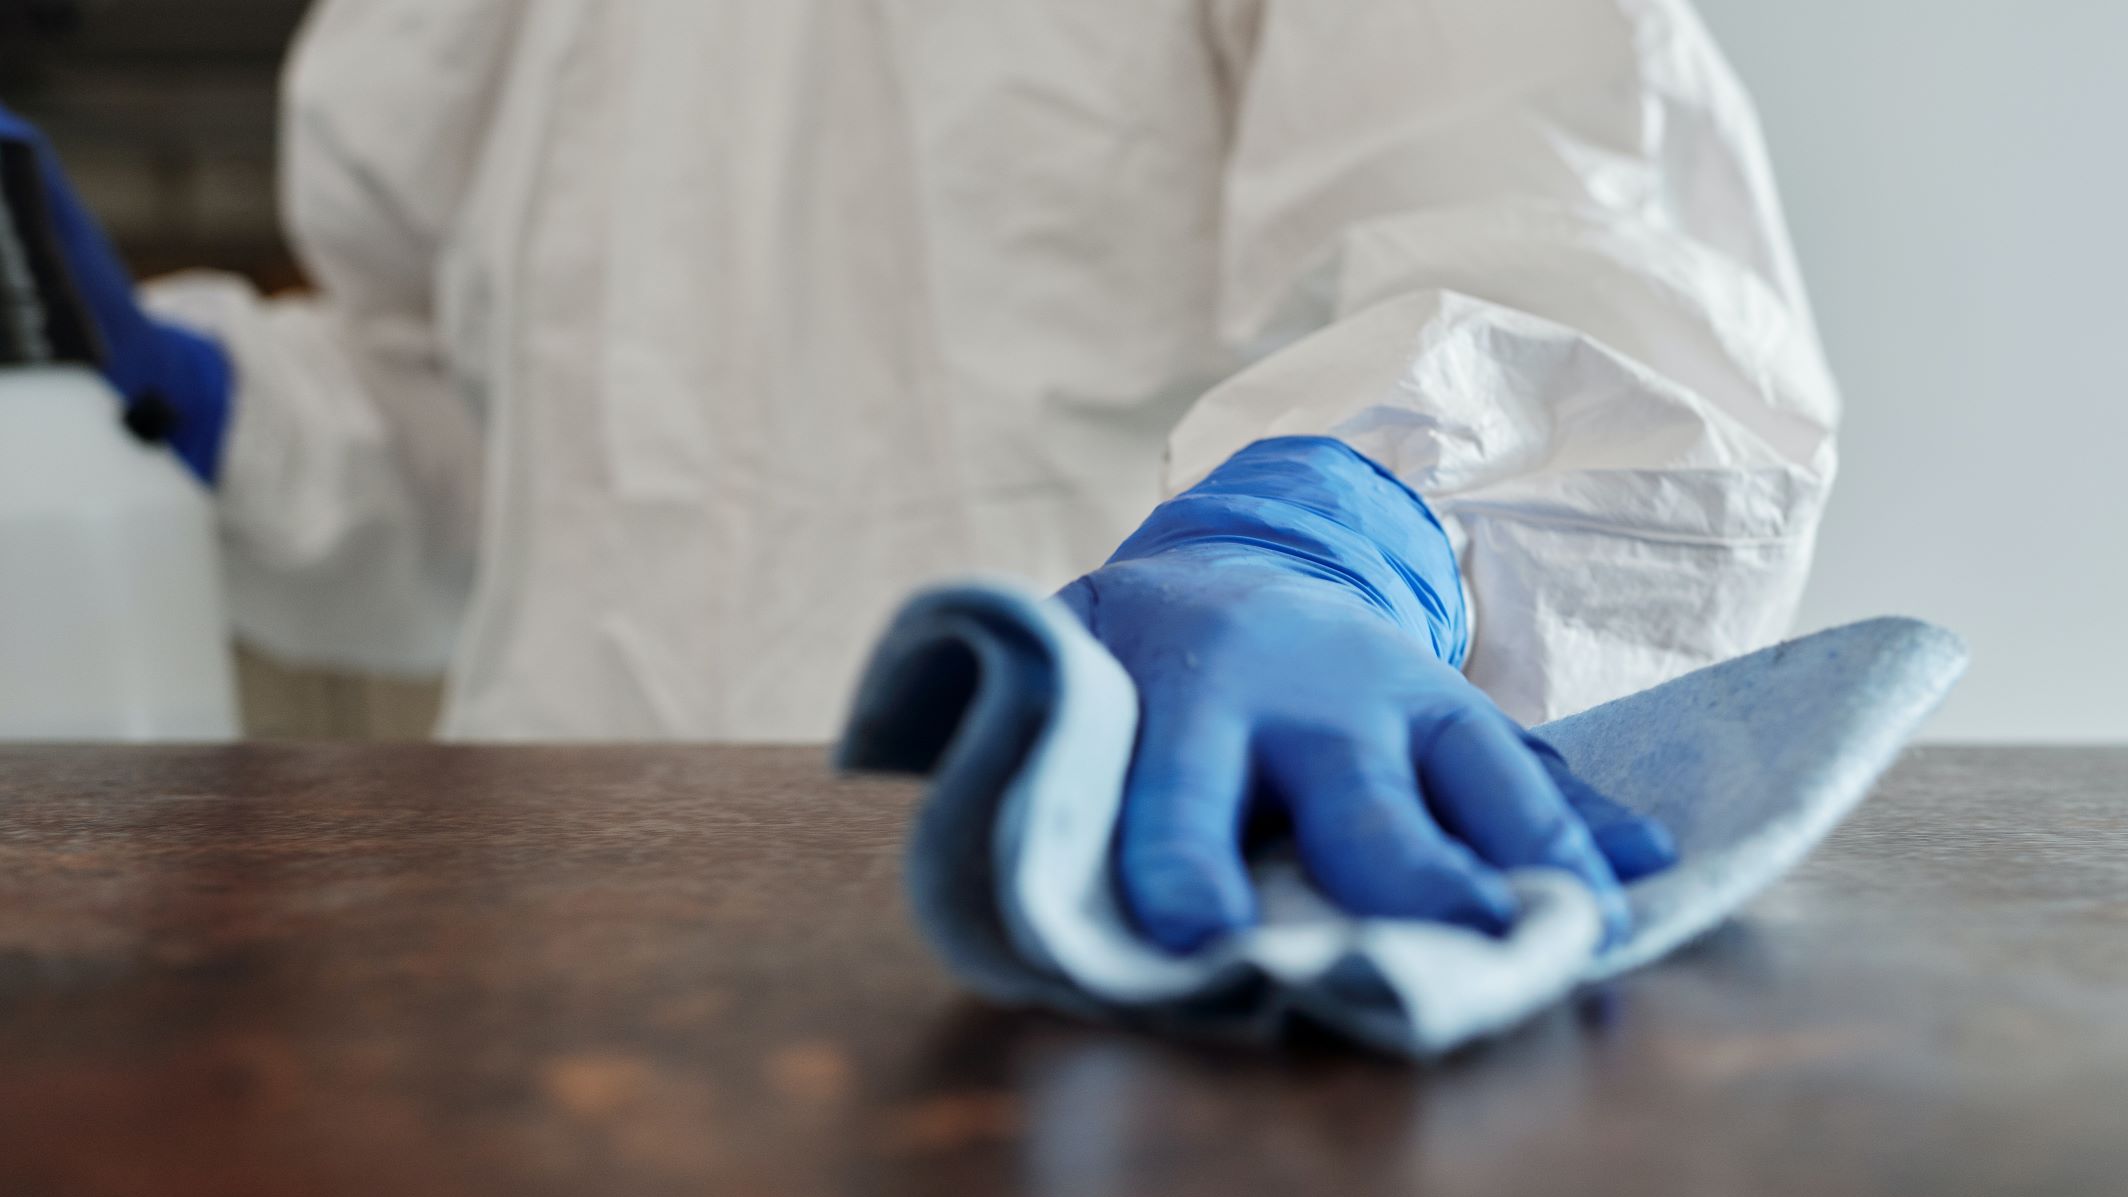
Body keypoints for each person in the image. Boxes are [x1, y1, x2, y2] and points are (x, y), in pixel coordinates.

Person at [1, 0, 1838, 952]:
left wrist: (1346, 525)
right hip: (558, 955)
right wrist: (196, 395)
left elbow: (1573, 252)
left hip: (1122, 893)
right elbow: (479, 465)